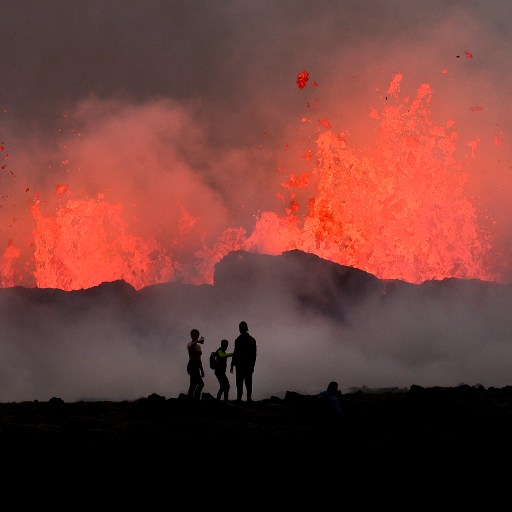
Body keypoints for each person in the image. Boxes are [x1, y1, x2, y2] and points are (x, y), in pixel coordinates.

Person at [230, 321, 257, 402]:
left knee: (242, 383)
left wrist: (232, 364)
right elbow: (253, 355)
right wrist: (232, 364)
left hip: (242, 365)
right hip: (245, 365)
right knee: (245, 383)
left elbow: (236, 353)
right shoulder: (250, 339)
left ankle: (240, 399)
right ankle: (245, 399)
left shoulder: (239, 340)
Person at [187, 328, 205, 401]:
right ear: (191, 336)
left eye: (196, 335)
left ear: (198, 335)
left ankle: (191, 399)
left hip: (197, 366)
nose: (194, 336)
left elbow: (199, 358)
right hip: (191, 365)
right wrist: (199, 341)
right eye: (193, 335)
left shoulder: (198, 346)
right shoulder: (189, 344)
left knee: (193, 385)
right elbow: (190, 346)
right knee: (200, 384)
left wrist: (202, 369)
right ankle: (195, 399)